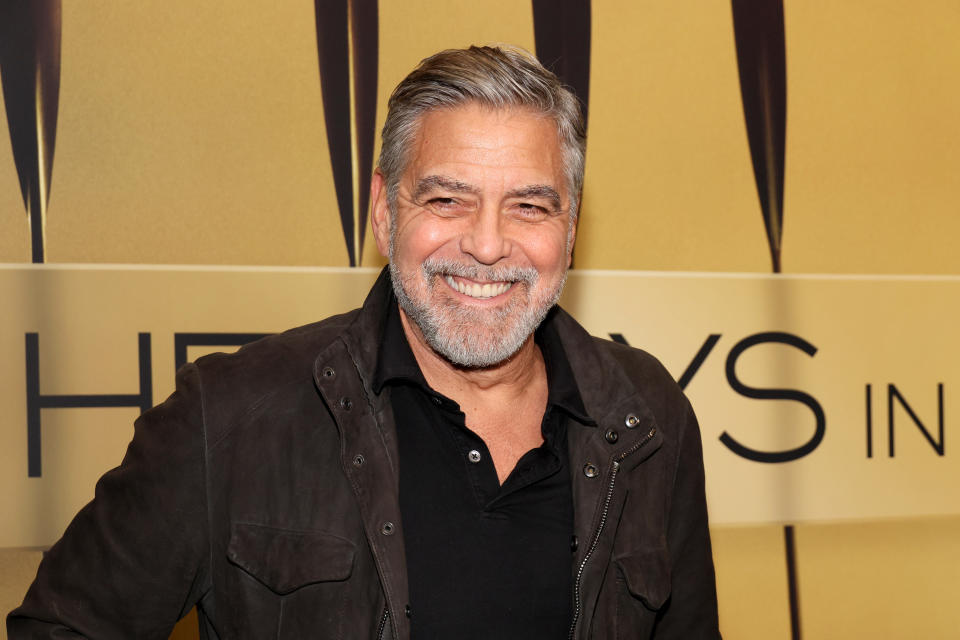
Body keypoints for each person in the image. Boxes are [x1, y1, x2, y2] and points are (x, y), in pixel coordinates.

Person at [8, 45, 719, 639]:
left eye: (529, 206)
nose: (488, 245)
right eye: (448, 200)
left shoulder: (647, 416)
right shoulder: (227, 414)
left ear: (568, 229)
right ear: (384, 212)